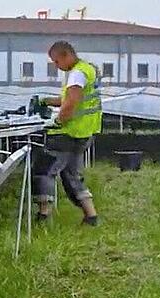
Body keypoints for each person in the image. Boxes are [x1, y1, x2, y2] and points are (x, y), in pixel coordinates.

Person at [33, 41, 101, 226]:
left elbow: (70, 103)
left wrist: (56, 122)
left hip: (68, 132)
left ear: (66, 56)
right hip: (84, 132)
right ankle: (91, 216)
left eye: (56, 61)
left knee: (45, 170)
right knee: (72, 175)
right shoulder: (88, 69)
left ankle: (43, 216)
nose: (56, 66)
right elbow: (70, 99)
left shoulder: (77, 74)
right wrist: (46, 101)